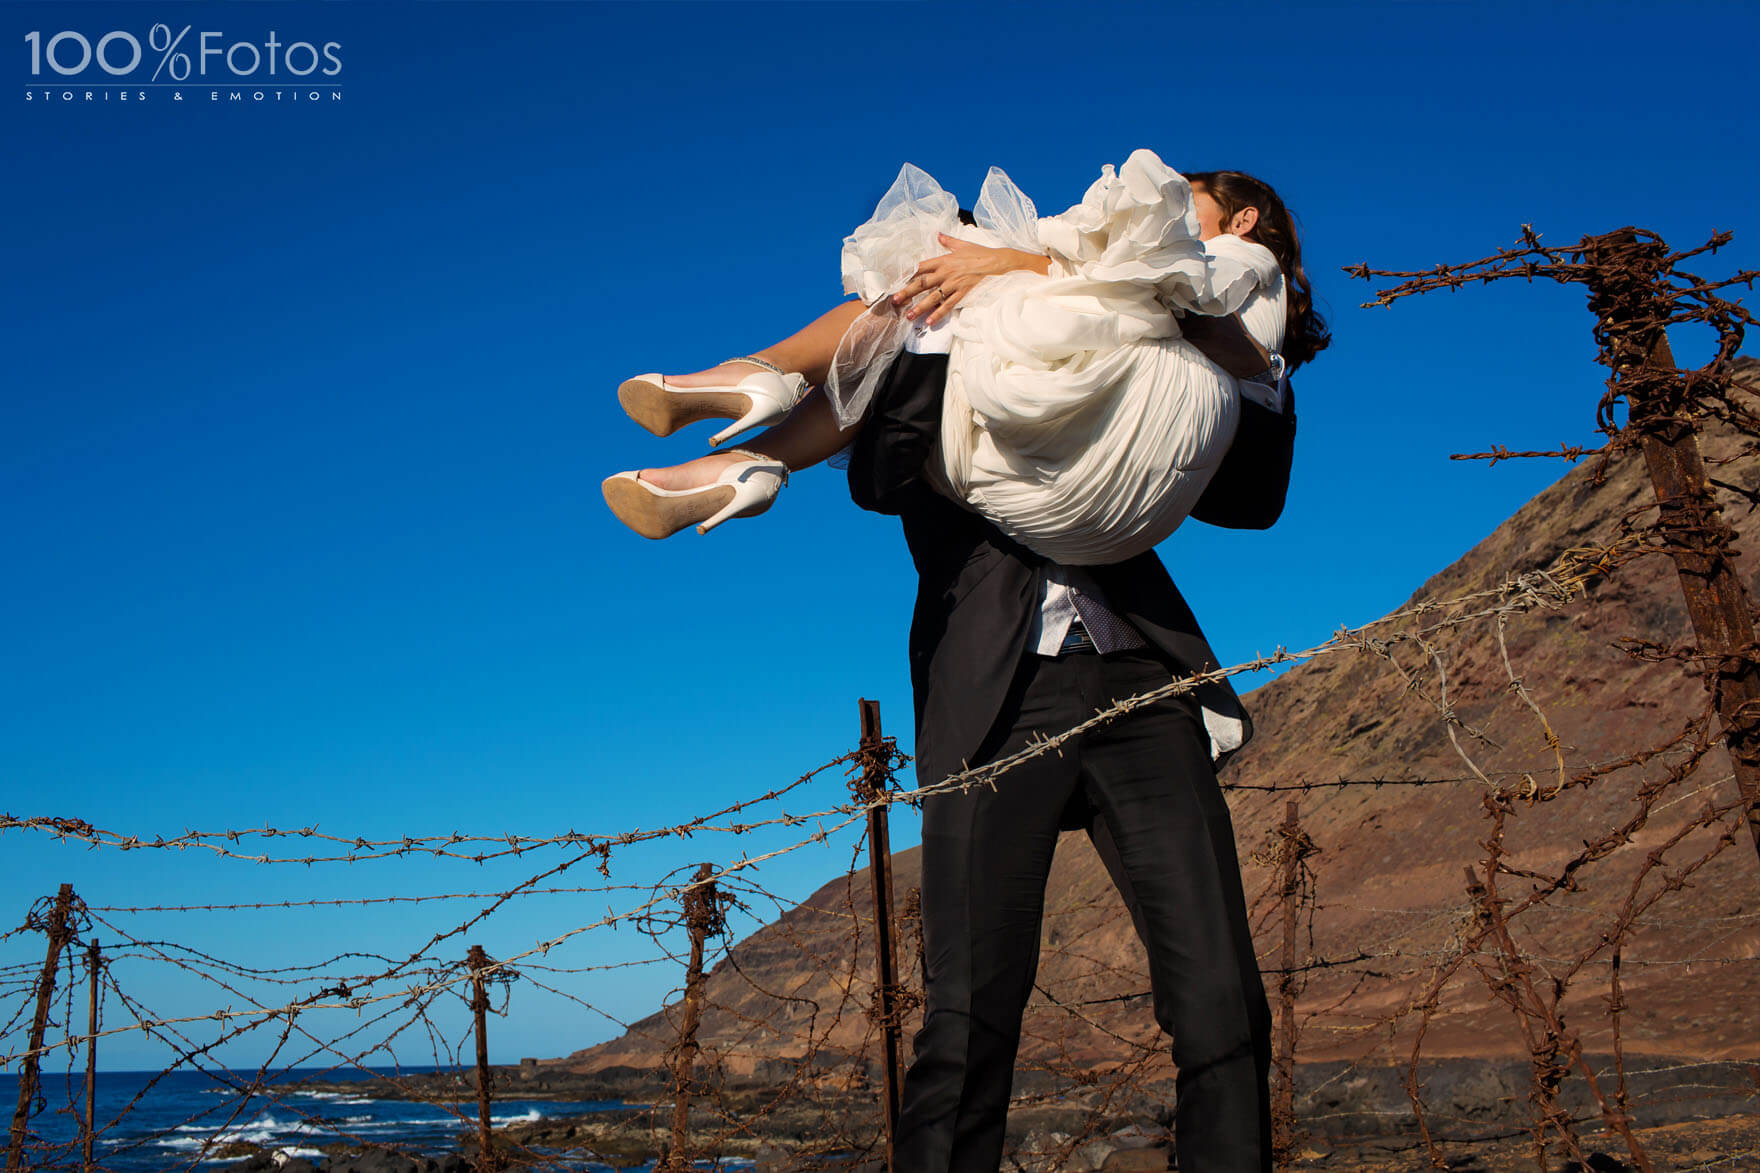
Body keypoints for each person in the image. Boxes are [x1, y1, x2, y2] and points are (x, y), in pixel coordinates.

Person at [606, 151, 1329, 1172]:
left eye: (1189, 207)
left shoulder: (1170, 362)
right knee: (972, 1004)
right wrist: (978, 286)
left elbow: (1249, 499)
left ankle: (744, 437)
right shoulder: (975, 371)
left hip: (1145, 691)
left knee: (1219, 996)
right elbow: (885, 473)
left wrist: (1044, 276)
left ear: (1242, 221)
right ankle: (748, 435)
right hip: (998, 691)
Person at [600, 149, 1326, 559]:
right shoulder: (1270, 347)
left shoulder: (1239, 260)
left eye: (1189, 197)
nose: (1176, 209)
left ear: (1243, 215)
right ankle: (746, 460)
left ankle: (761, 377)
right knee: (928, 325)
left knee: (938, 281)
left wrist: (1007, 262)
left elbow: (1173, 294)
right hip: (1103, 514)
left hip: (1110, 449)